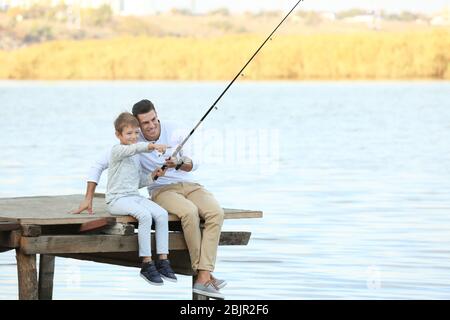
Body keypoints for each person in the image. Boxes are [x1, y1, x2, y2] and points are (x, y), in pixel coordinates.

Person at [73, 100, 226, 299]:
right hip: (163, 190)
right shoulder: (132, 144)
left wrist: (178, 162)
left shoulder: (173, 131)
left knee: (216, 213)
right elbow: (97, 165)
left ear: (157, 116)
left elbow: (193, 162)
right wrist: (88, 198)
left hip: (190, 185)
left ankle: (203, 274)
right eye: (145, 123)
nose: (151, 125)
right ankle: (203, 275)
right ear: (137, 125)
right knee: (189, 212)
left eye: (153, 120)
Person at [98, 111, 176, 286]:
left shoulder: (135, 156)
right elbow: (134, 148)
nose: (133, 137)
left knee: (162, 214)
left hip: (133, 196)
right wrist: (152, 146)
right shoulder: (117, 151)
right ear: (118, 135)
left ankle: (163, 260)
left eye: (135, 133)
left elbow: (139, 181)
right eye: (128, 133)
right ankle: (147, 263)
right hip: (116, 200)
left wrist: (153, 176)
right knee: (145, 216)